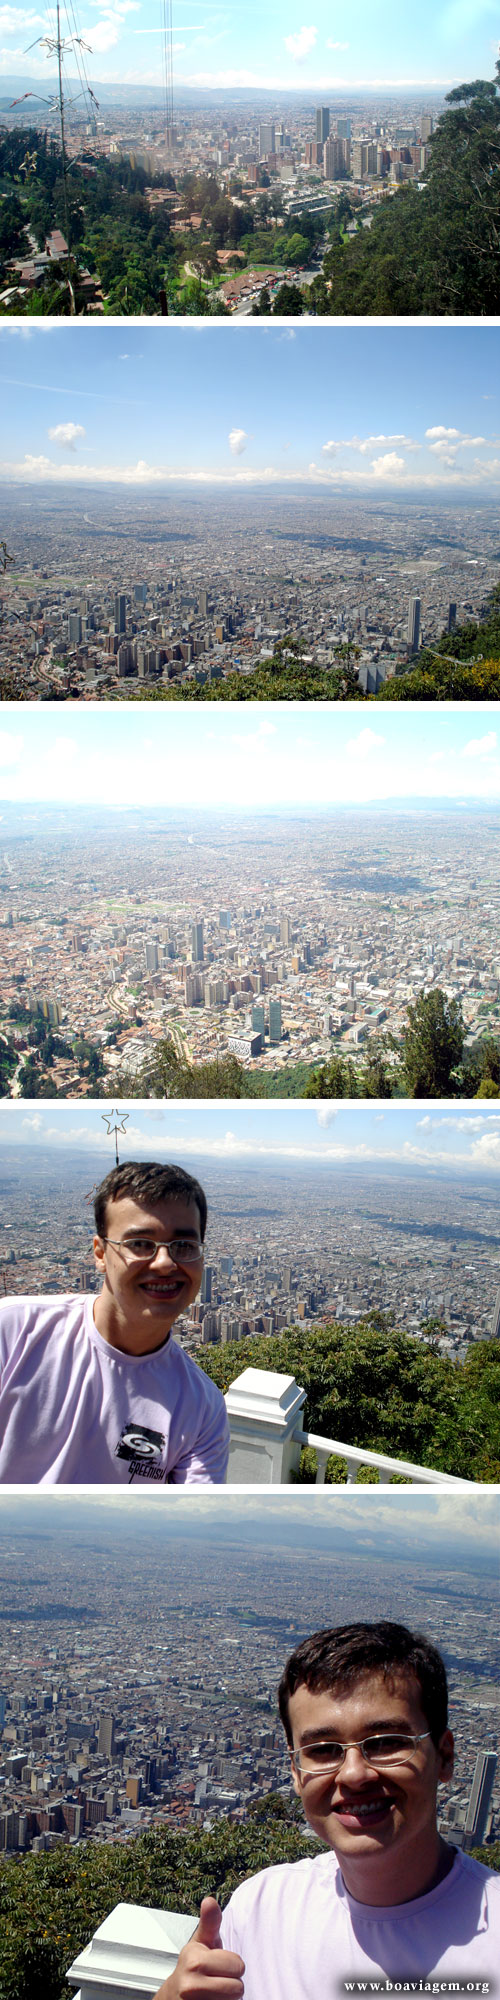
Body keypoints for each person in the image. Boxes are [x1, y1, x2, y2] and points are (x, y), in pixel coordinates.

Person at [156, 1620, 500, 1999]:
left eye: (386, 1743)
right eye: (323, 1750)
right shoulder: (262, 1908)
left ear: (445, 1757)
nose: (354, 1774)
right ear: (297, 1773)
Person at [0, 1159, 229, 1485]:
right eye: (140, 1244)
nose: (165, 1263)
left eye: (184, 1246)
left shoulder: (202, 1408)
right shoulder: (13, 1333)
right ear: (99, 1253)